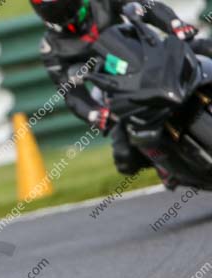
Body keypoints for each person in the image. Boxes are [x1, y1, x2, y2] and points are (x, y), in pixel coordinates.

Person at [31, 0, 211, 178]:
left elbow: (147, 6)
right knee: (125, 159)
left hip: (150, 54)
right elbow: (69, 91)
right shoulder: (51, 47)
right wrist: (93, 113)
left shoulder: (102, 2)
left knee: (205, 47)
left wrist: (174, 24)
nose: (61, 13)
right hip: (113, 88)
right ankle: (165, 167)